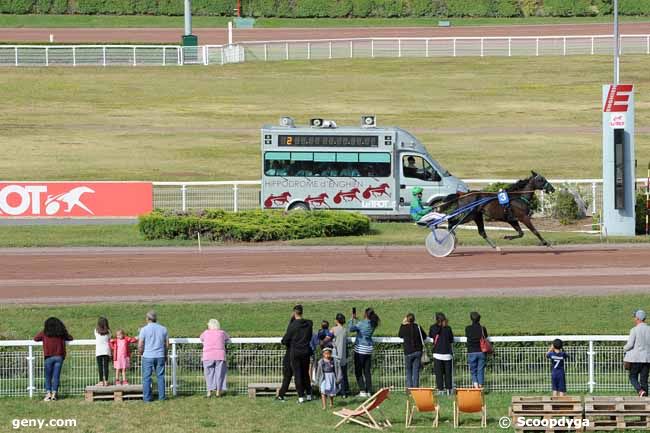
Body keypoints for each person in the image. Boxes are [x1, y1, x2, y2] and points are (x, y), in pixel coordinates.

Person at [33, 317, 73, 401]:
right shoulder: (61, 333)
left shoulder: (44, 333)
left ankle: (48, 394)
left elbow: (36, 338)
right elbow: (70, 338)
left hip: (48, 357)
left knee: (48, 376)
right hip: (59, 356)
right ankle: (54, 394)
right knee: (56, 376)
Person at [279, 305, 313, 403]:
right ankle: (309, 394)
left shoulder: (293, 326)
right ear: (302, 312)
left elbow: (285, 340)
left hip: (295, 352)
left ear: (294, 313)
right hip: (306, 351)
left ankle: (301, 397)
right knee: (305, 373)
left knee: (297, 374)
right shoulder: (309, 324)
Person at [138, 310, 169, 402]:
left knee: (146, 377)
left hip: (148, 356)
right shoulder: (163, 329)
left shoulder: (144, 329)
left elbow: (140, 344)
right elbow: (167, 344)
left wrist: (141, 352)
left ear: (147, 319)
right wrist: (165, 354)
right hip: (160, 355)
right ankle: (162, 397)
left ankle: (147, 398)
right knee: (160, 376)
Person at [350, 307, 380, 397]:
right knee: (367, 371)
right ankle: (369, 391)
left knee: (358, 371)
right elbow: (362, 326)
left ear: (366, 314)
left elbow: (351, 329)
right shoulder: (373, 324)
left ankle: (362, 391)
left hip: (360, 349)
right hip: (368, 349)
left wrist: (352, 319)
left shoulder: (361, 324)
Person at [200, 319, 230, 398]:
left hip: (207, 355)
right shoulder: (222, 333)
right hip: (219, 355)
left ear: (209, 325)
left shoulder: (205, 332)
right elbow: (227, 338)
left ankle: (209, 392)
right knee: (219, 374)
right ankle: (218, 392)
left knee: (208, 374)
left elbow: (201, 338)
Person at [624, 309, 650, 397]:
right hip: (647, 359)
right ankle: (646, 401)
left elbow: (630, 344)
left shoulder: (634, 330)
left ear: (638, 318)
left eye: (635, 317)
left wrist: (624, 348)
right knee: (644, 380)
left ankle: (640, 391)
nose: (634, 319)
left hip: (636, 359)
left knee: (632, 377)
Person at [398, 313, 427, 388]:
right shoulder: (418, 327)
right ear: (414, 319)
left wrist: (402, 323)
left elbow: (400, 335)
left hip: (408, 352)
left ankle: (409, 389)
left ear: (407, 319)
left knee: (408, 371)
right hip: (418, 351)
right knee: (416, 371)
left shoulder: (404, 327)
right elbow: (424, 336)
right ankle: (415, 389)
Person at [430, 312, 454, 394]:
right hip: (447, 353)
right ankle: (449, 390)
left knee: (439, 374)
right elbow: (451, 340)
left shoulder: (433, 327)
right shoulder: (448, 328)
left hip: (437, 354)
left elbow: (431, 335)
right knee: (448, 373)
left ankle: (440, 390)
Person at [465, 311, 488, 389]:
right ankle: (481, 386)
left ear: (471, 319)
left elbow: (467, 336)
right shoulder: (482, 328)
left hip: (471, 352)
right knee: (480, 370)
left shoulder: (467, 328)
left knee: (473, 371)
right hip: (481, 351)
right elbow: (486, 337)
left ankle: (476, 387)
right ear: (479, 319)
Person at [331, 313, 350, 398]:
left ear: (336, 320)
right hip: (344, 355)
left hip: (336, 354)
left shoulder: (334, 329)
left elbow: (328, 337)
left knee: (338, 374)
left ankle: (339, 391)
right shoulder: (345, 330)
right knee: (344, 373)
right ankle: (346, 390)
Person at [94, 317, 111, 387]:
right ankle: (106, 381)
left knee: (100, 367)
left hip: (99, 351)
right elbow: (109, 337)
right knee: (106, 367)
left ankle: (101, 381)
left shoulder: (96, 331)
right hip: (106, 350)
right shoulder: (109, 331)